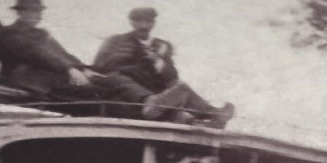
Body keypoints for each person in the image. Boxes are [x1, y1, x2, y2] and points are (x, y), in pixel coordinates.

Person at [0, 0, 229, 126]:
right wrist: (70, 70)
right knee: (112, 88)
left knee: (115, 81)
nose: (37, 15)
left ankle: (177, 110)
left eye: (39, 11)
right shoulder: (12, 34)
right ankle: (168, 109)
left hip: (61, 76)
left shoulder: (42, 35)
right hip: (38, 81)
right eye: (33, 11)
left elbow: (64, 55)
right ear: (21, 12)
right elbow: (37, 54)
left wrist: (83, 69)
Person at [92, 7, 233, 127]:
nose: (143, 25)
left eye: (147, 21)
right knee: (122, 81)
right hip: (125, 86)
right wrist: (131, 57)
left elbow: (172, 77)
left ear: (153, 23)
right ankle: (203, 116)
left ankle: (213, 116)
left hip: (154, 90)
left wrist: (158, 61)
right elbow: (99, 65)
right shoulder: (116, 40)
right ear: (131, 22)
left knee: (182, 89)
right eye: (138, 21)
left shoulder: (161, 46)